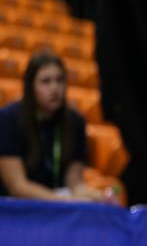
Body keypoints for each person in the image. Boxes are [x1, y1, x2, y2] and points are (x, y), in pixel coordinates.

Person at [0, 51, 103, 202]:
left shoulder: (75, 121)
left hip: (57, 204)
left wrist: (97, 196)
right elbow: (17, 186)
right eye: (46, 81)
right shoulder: (8, 119)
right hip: (17, 208)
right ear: (31, 87)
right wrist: (64, 200)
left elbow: (75, 183)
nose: (55, 88)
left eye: (60, 80)